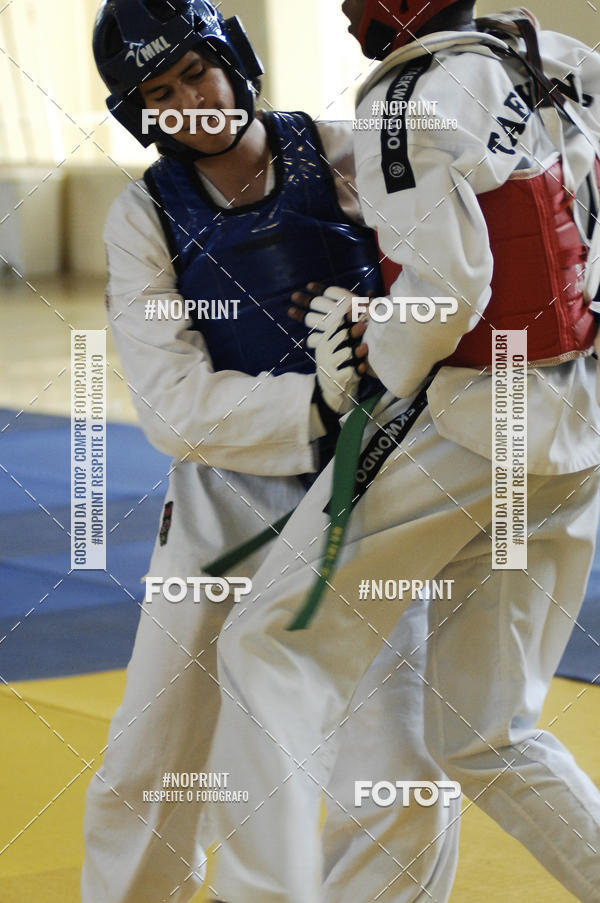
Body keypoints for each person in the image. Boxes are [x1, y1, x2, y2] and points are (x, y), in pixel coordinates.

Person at [202, 3, 600, 902]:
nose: (343, 8)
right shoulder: (546, 57)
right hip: (577, 425)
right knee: (484, 731)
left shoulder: (403, 96)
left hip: (477, 425)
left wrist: (370, 363)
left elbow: (453, 288)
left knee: (268, 641)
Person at [82, 2, 462, 902]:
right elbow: (171, 404)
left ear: (234, 59)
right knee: (155, 752)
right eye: (161, 93)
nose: (191, 103)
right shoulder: (142, 215)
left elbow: (449, 287)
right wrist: (313, 400)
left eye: (196, 71)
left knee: (393, 761)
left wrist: (386, 336)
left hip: (372, 484)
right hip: (225, 495)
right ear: (142, 114)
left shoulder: (348, 155)